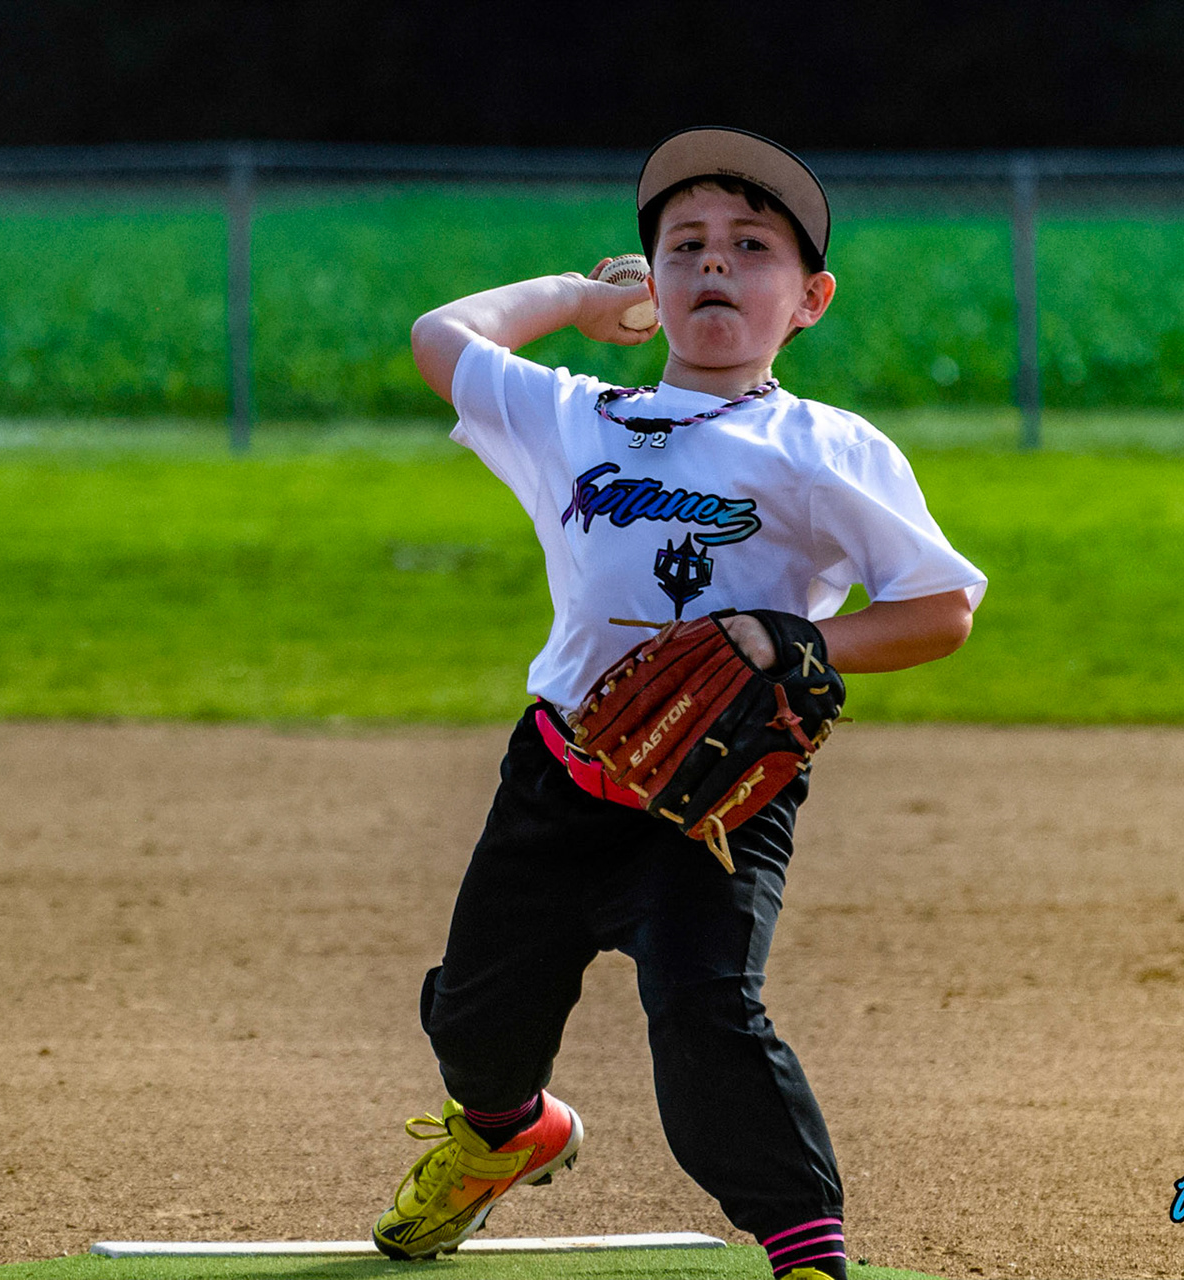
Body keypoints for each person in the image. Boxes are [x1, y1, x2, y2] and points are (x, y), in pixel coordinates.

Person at [373, 126, 987, 1280]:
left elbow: (940, 605)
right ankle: (508, 1136)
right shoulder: (574, 416)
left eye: (753, 247)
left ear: (808, 299)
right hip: (559, 775)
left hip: (717, 797)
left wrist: (800, 638)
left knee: (709, 1020)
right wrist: (573, 297)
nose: (716, 263)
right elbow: (437, 338)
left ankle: (806, 1248)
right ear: (651, 282)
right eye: (686, 244)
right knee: (476, 1026)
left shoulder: (822, 447)